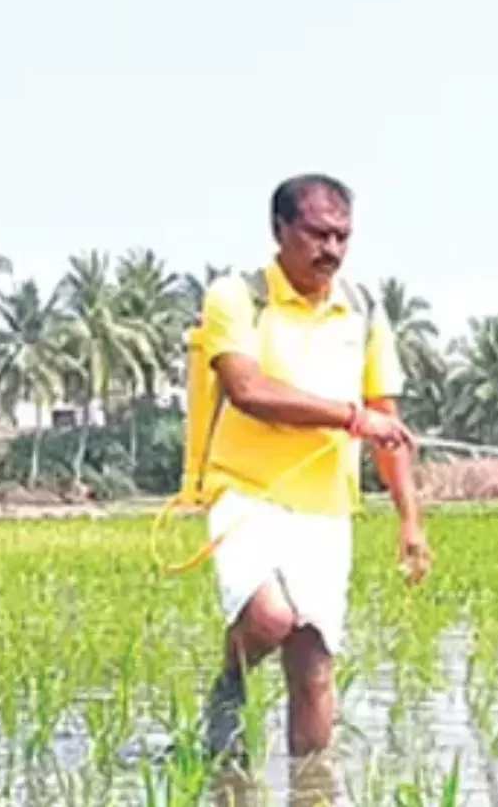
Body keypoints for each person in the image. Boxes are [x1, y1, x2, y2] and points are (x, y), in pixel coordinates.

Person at [195, 173, 432, 766]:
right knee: (271, 617)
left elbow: (388, 421)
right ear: (280, 230)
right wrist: (349, 418)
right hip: (246, 493)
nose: (331, 249)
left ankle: (311, 788)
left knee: (315, 669)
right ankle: (231, 675)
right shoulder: (238, 296)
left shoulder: (362, 309)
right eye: (317, 234)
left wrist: (411, 520)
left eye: (342, 236)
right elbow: (248, 390)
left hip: (327, 507)